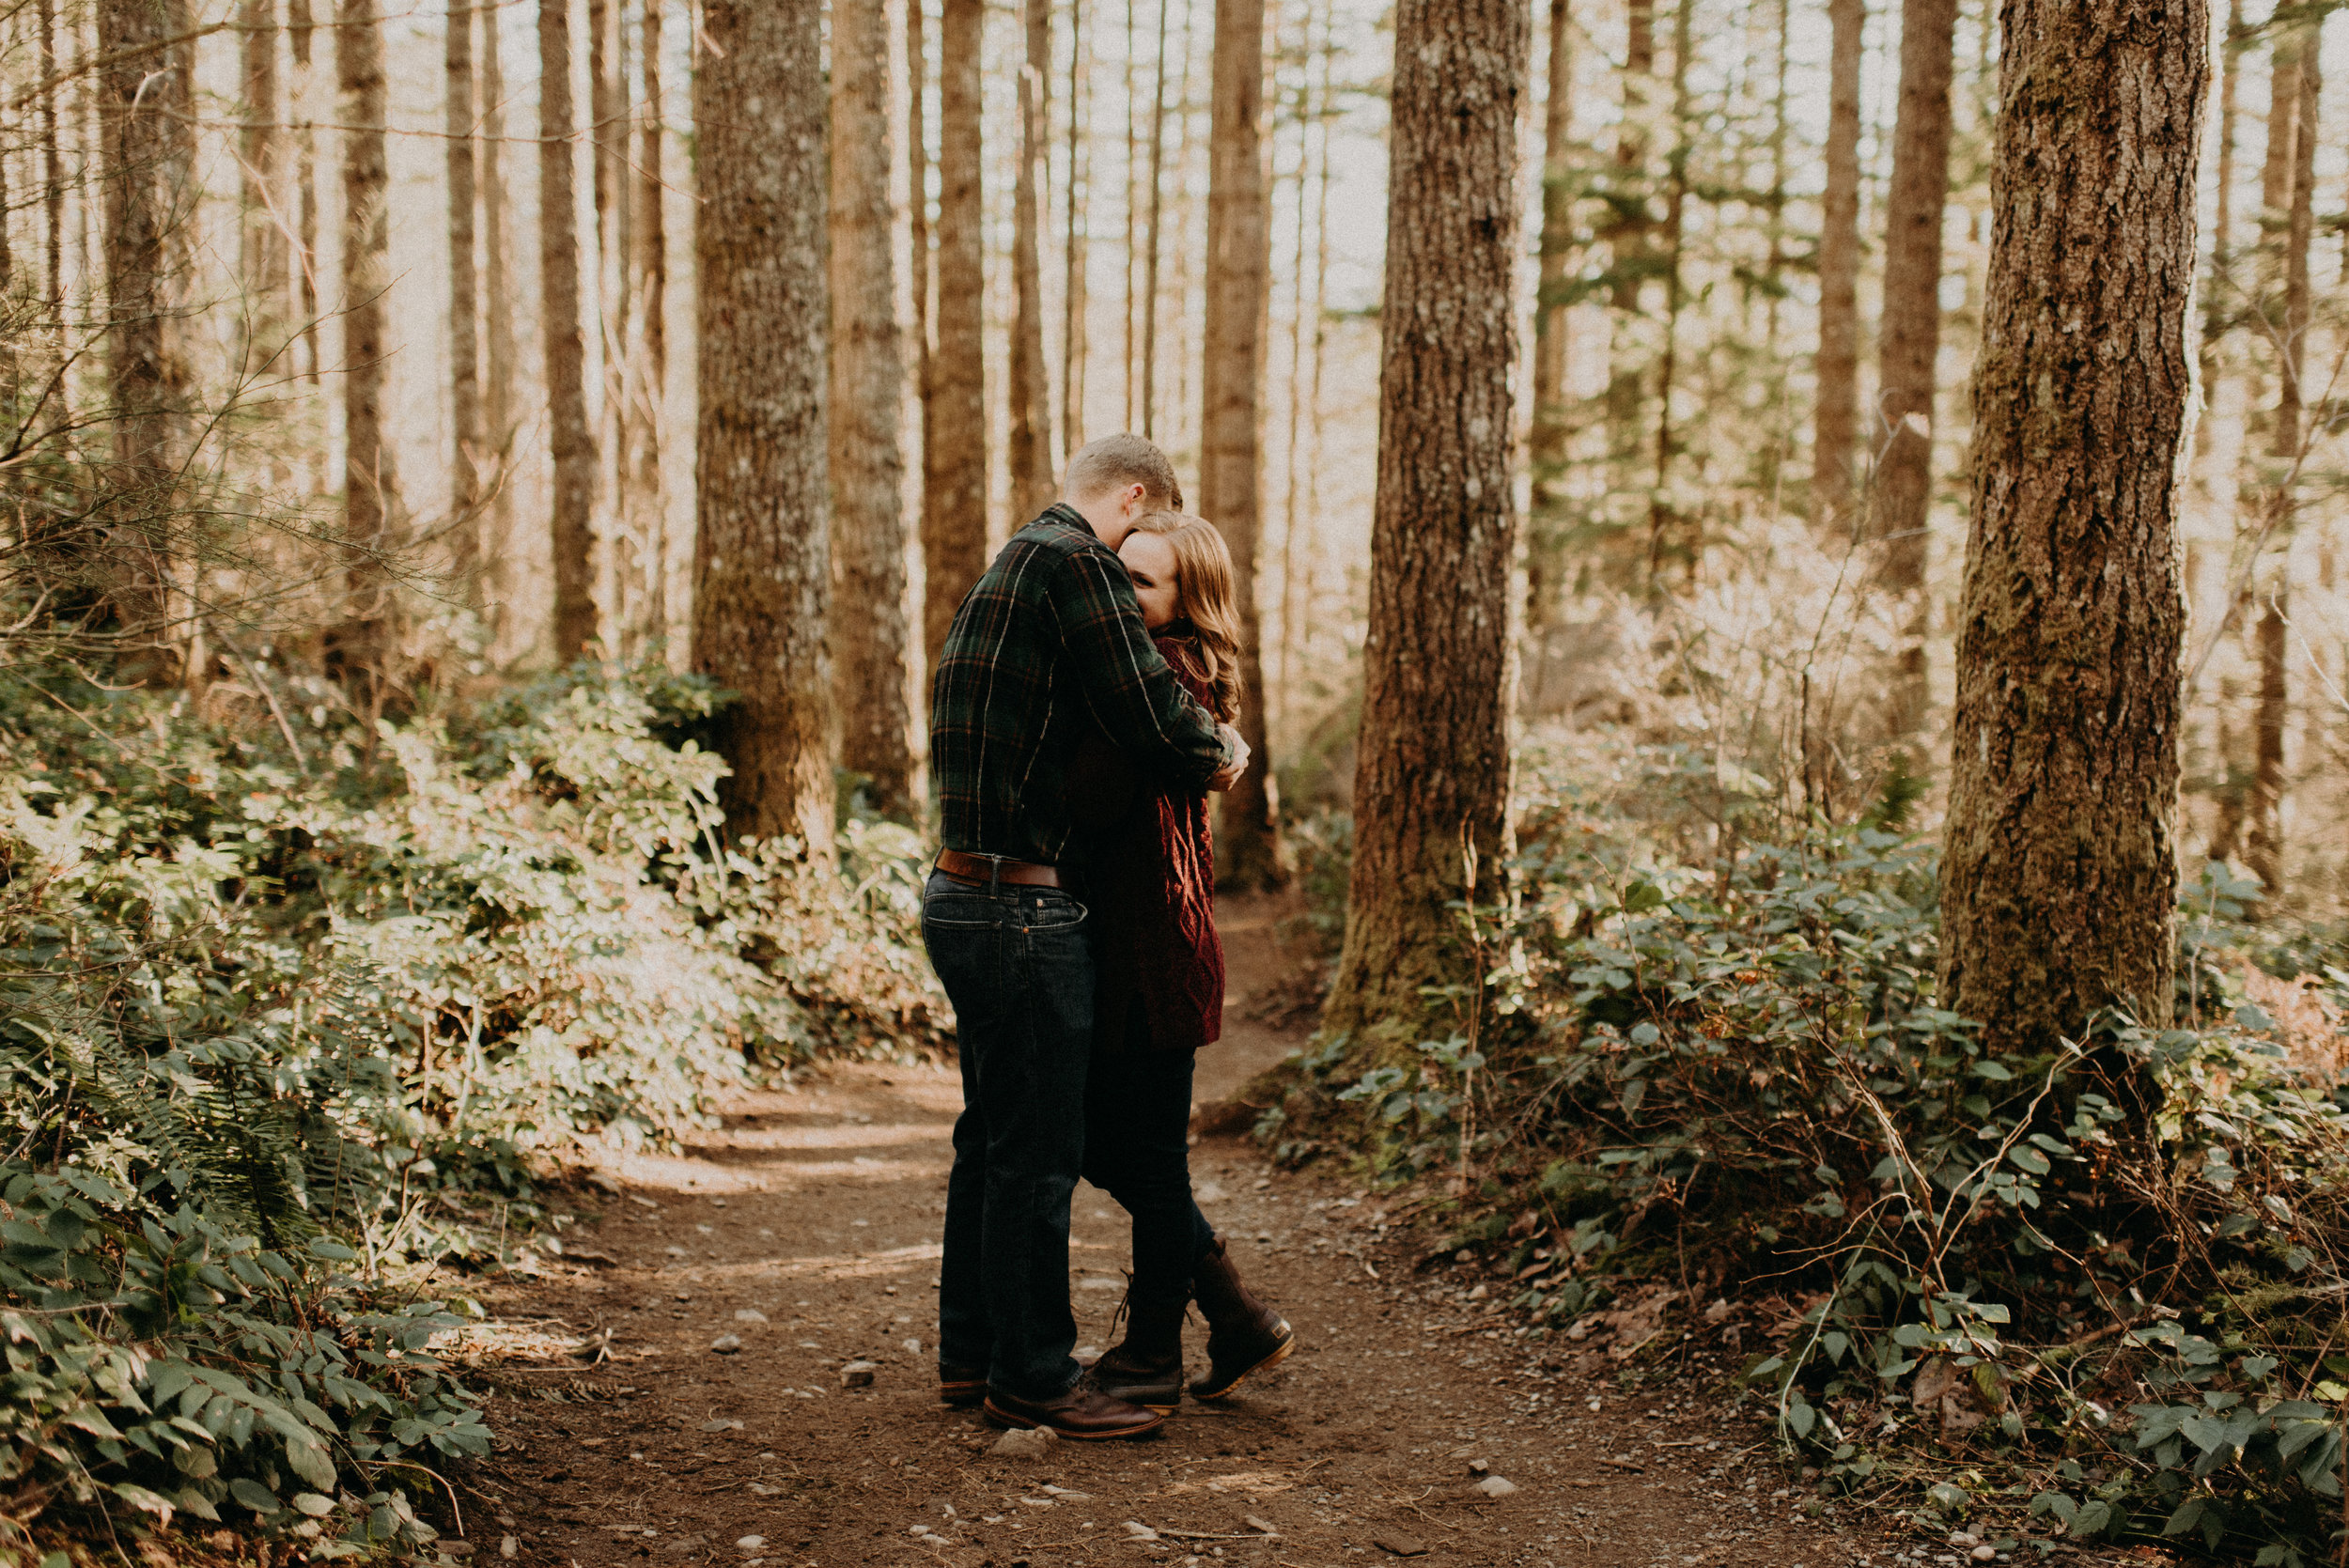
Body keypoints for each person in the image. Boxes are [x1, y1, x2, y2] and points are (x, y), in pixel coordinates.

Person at [924, 437, 1251, 1442]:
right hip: (1018, 902)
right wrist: (1225, 752)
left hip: (960, 887)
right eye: (1134, 554)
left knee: (990, 1140)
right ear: (1136, 496)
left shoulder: (1012, 563)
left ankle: (969, 1351)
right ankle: (1031, 1374)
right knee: (1034, 1154)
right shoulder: (1075, 564)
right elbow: (1153, 717)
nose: (1127, 575)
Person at [1074, 512, 1296, 1415]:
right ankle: (1230, 1313)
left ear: (1185, 603)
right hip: (1143, 949)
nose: (1120, 595)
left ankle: (1154, 1355)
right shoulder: (1160, 670)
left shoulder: (1162, 672)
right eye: (1115, 573)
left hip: (1152, 954)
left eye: (1144, 584)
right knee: (1120, 1148)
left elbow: (1093, 798)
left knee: (1138, 1155)